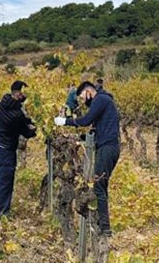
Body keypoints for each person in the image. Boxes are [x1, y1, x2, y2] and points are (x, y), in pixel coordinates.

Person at [53, 81, 121, 237]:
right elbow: (95, 130)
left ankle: (105, 229)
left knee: (99, 187)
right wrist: (80, 137)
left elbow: (86, 121)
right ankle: (103, 225)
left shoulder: (101, 99)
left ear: (89, 91)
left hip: (108, 148)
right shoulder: (103, 102)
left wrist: (65, 121)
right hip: (107, 147)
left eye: (83, 96)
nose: (84, 101)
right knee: (100, 186)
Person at [0, 80, 37, 224]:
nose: (25, 96)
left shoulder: (4, 103)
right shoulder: (16, 114)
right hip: (7, 152)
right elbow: (26, 132)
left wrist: (26, 119)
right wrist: (35, 130)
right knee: (4, 184)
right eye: (23, 93)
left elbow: (21, 117)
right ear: (19, 94)